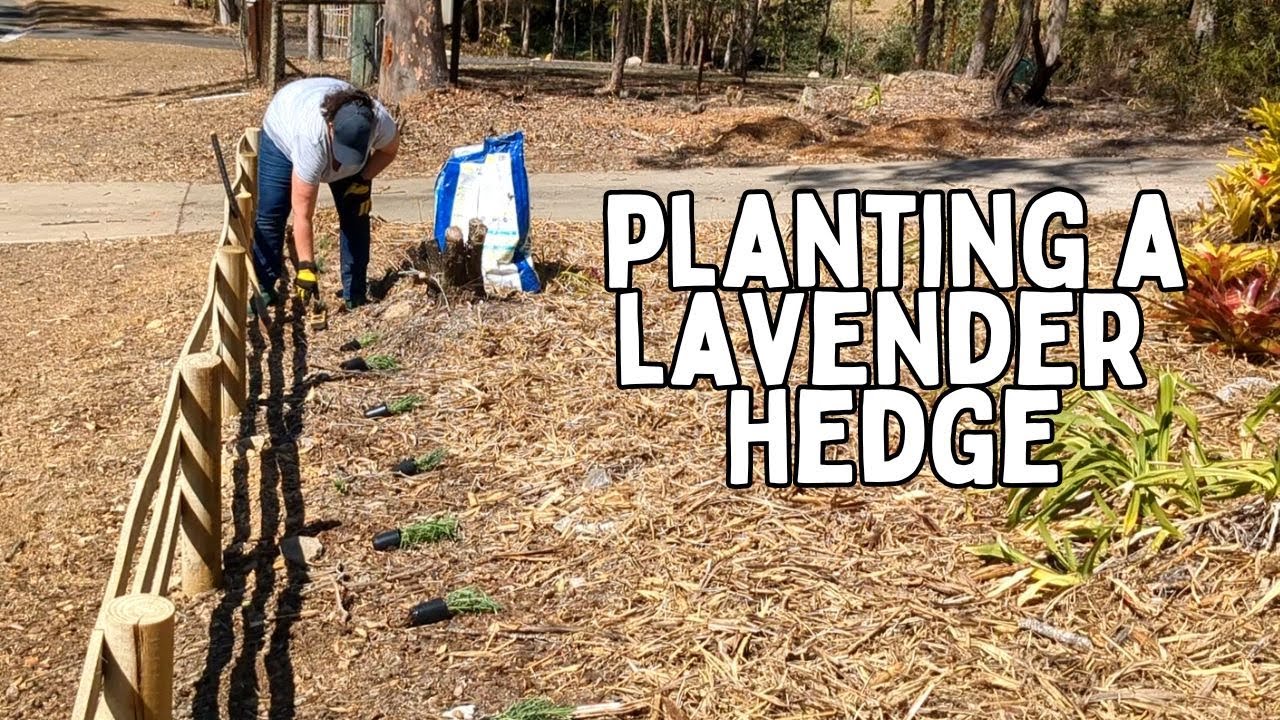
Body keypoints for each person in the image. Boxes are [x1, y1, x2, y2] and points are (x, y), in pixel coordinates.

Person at [251, 76, 400, 313]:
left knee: (356, 213)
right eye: (343, 151)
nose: (343, 161)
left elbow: (390, 151)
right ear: (331, 127)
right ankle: (264, 287)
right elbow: (303, 214)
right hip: (283, 127)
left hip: (327, 136)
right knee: (272, 211)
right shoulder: (310, 138)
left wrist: (363, 178)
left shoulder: (379, 121)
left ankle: (356, 295)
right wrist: (307, 266)